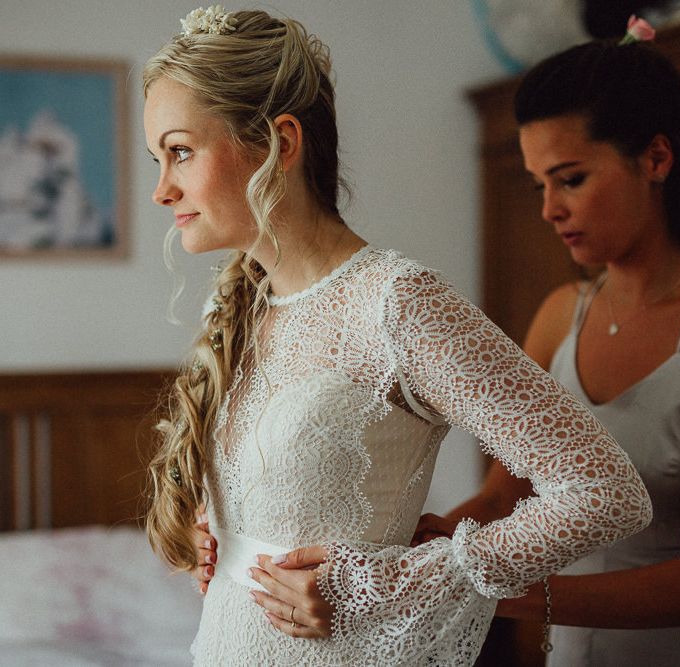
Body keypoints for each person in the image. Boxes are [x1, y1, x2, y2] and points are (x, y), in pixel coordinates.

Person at [144, 6, 652, 666]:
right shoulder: (239, 304)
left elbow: (604, 491)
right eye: (158, 158)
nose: (161, 189)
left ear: (280, 142)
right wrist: (218, 536)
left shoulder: (396, 303)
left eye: (180, 151)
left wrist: (400, 582)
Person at [414, 16, 680, 667]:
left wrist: (503, 593)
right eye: (538, 185)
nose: (547, 209)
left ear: (656, 158)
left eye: (570, 179)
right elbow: (507, 496)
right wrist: (427, 538)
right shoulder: (560, 315)